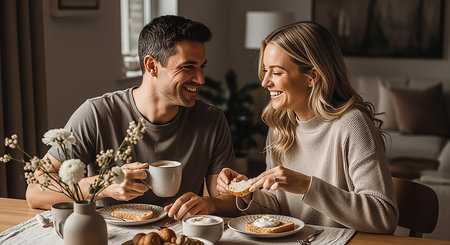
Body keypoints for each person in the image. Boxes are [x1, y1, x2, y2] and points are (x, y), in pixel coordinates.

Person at [26, 15, 238, 220]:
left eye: (202, 67)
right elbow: (35, 191)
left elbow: (228, 201)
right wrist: (104, 184)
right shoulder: (97, 114)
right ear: (151, 66)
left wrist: (210, 204)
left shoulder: (212, 120)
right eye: (188, 67)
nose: (200, 78)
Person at [217, 21, 398, 233]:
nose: (265, 82)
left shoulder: (352, 124)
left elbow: (384, 217)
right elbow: (278, 205)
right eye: (265, 71)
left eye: (276, 73)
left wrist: (306, 186)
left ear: (311, 77)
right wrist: (249, 192)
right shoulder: (280, 124)